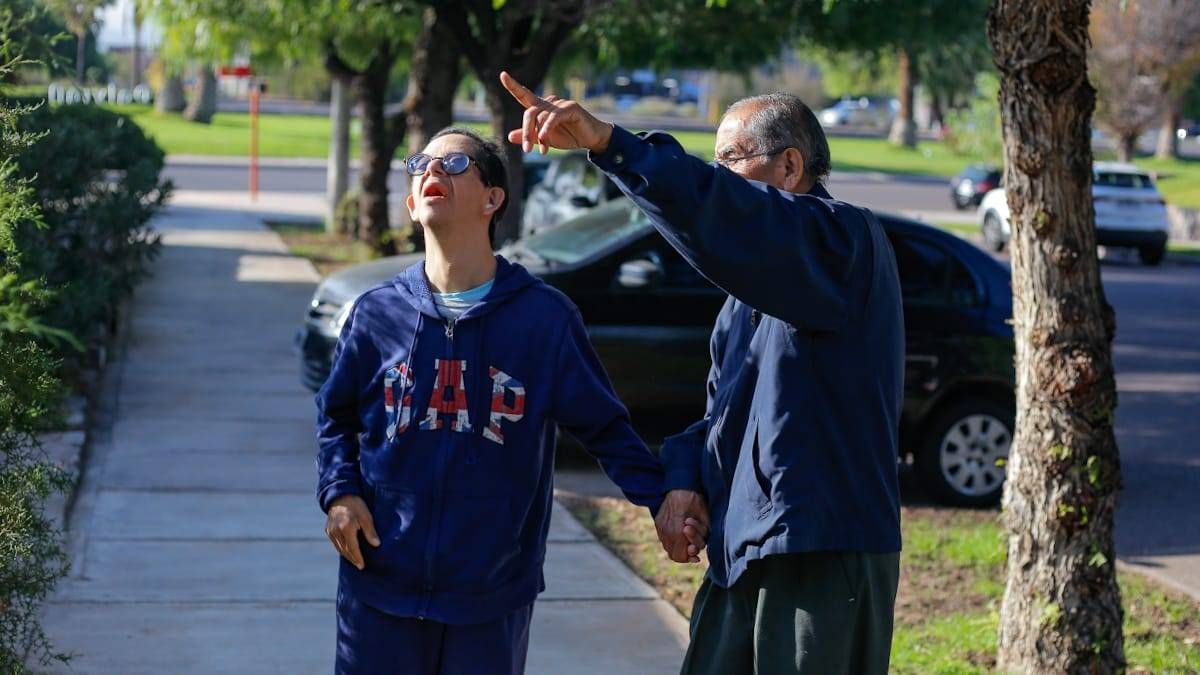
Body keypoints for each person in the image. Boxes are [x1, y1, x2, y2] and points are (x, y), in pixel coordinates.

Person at [502, 72, 905, 675]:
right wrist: (686, 478)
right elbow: (727, 413)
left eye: (729, 161)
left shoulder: (843, 241)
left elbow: (716, 210)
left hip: (820, 552)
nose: (717, 179)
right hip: (739, 551)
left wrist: (612, 144)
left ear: (790, 166)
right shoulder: (746, 299)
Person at [314, 127, 706, 675]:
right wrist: (340, 492)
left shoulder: (543, 319)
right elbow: (335, 417)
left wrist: (665, 503)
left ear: (494, 198)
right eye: (421, 164)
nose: (431, 172)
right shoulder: (375, 314)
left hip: (491, 596)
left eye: (452, 165)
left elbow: (606, 431)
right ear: (410, 203)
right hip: (380, 588)